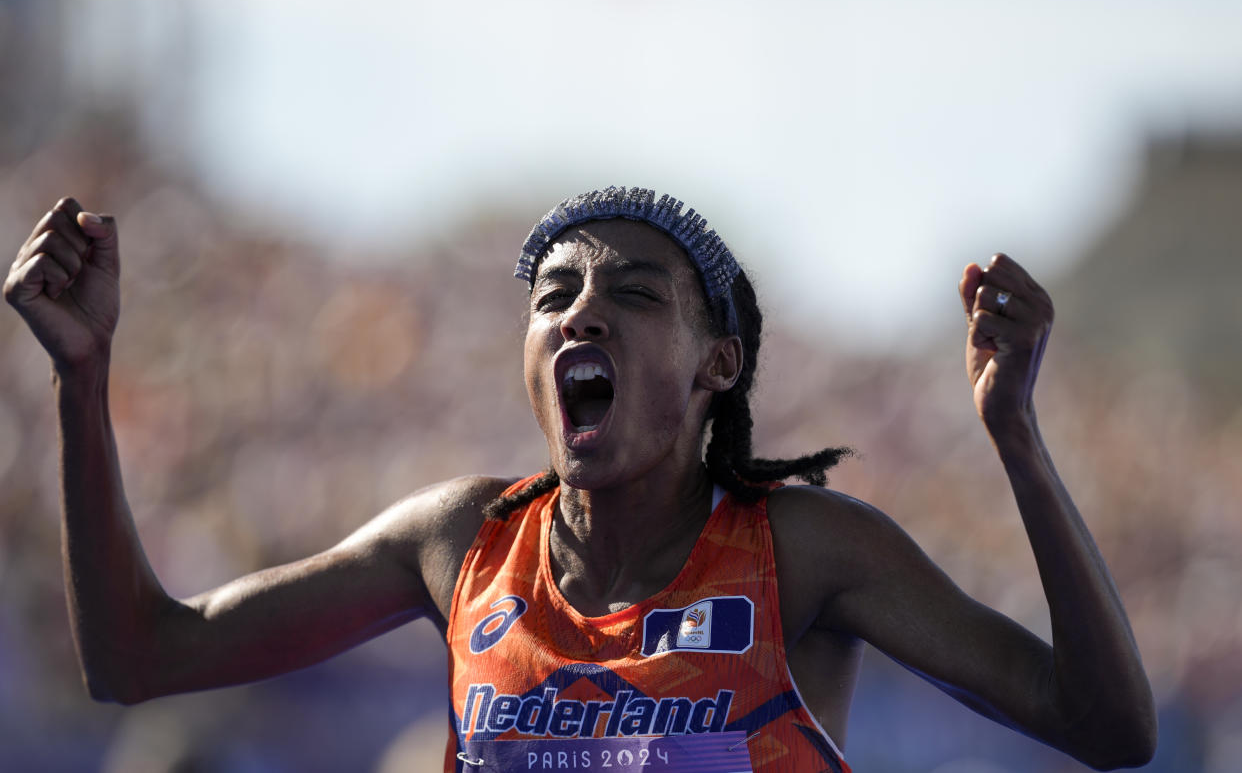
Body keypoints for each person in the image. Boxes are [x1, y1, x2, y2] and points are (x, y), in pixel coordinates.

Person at [4, 188, 1156, 772]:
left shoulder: (804, 552)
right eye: (553, 295)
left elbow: (1110, 731)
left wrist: (1016, 437)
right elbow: (139, 658)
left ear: (719, 366)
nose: (580, 310)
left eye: (635, 294)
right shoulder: (461, 541)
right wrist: (82, 377)